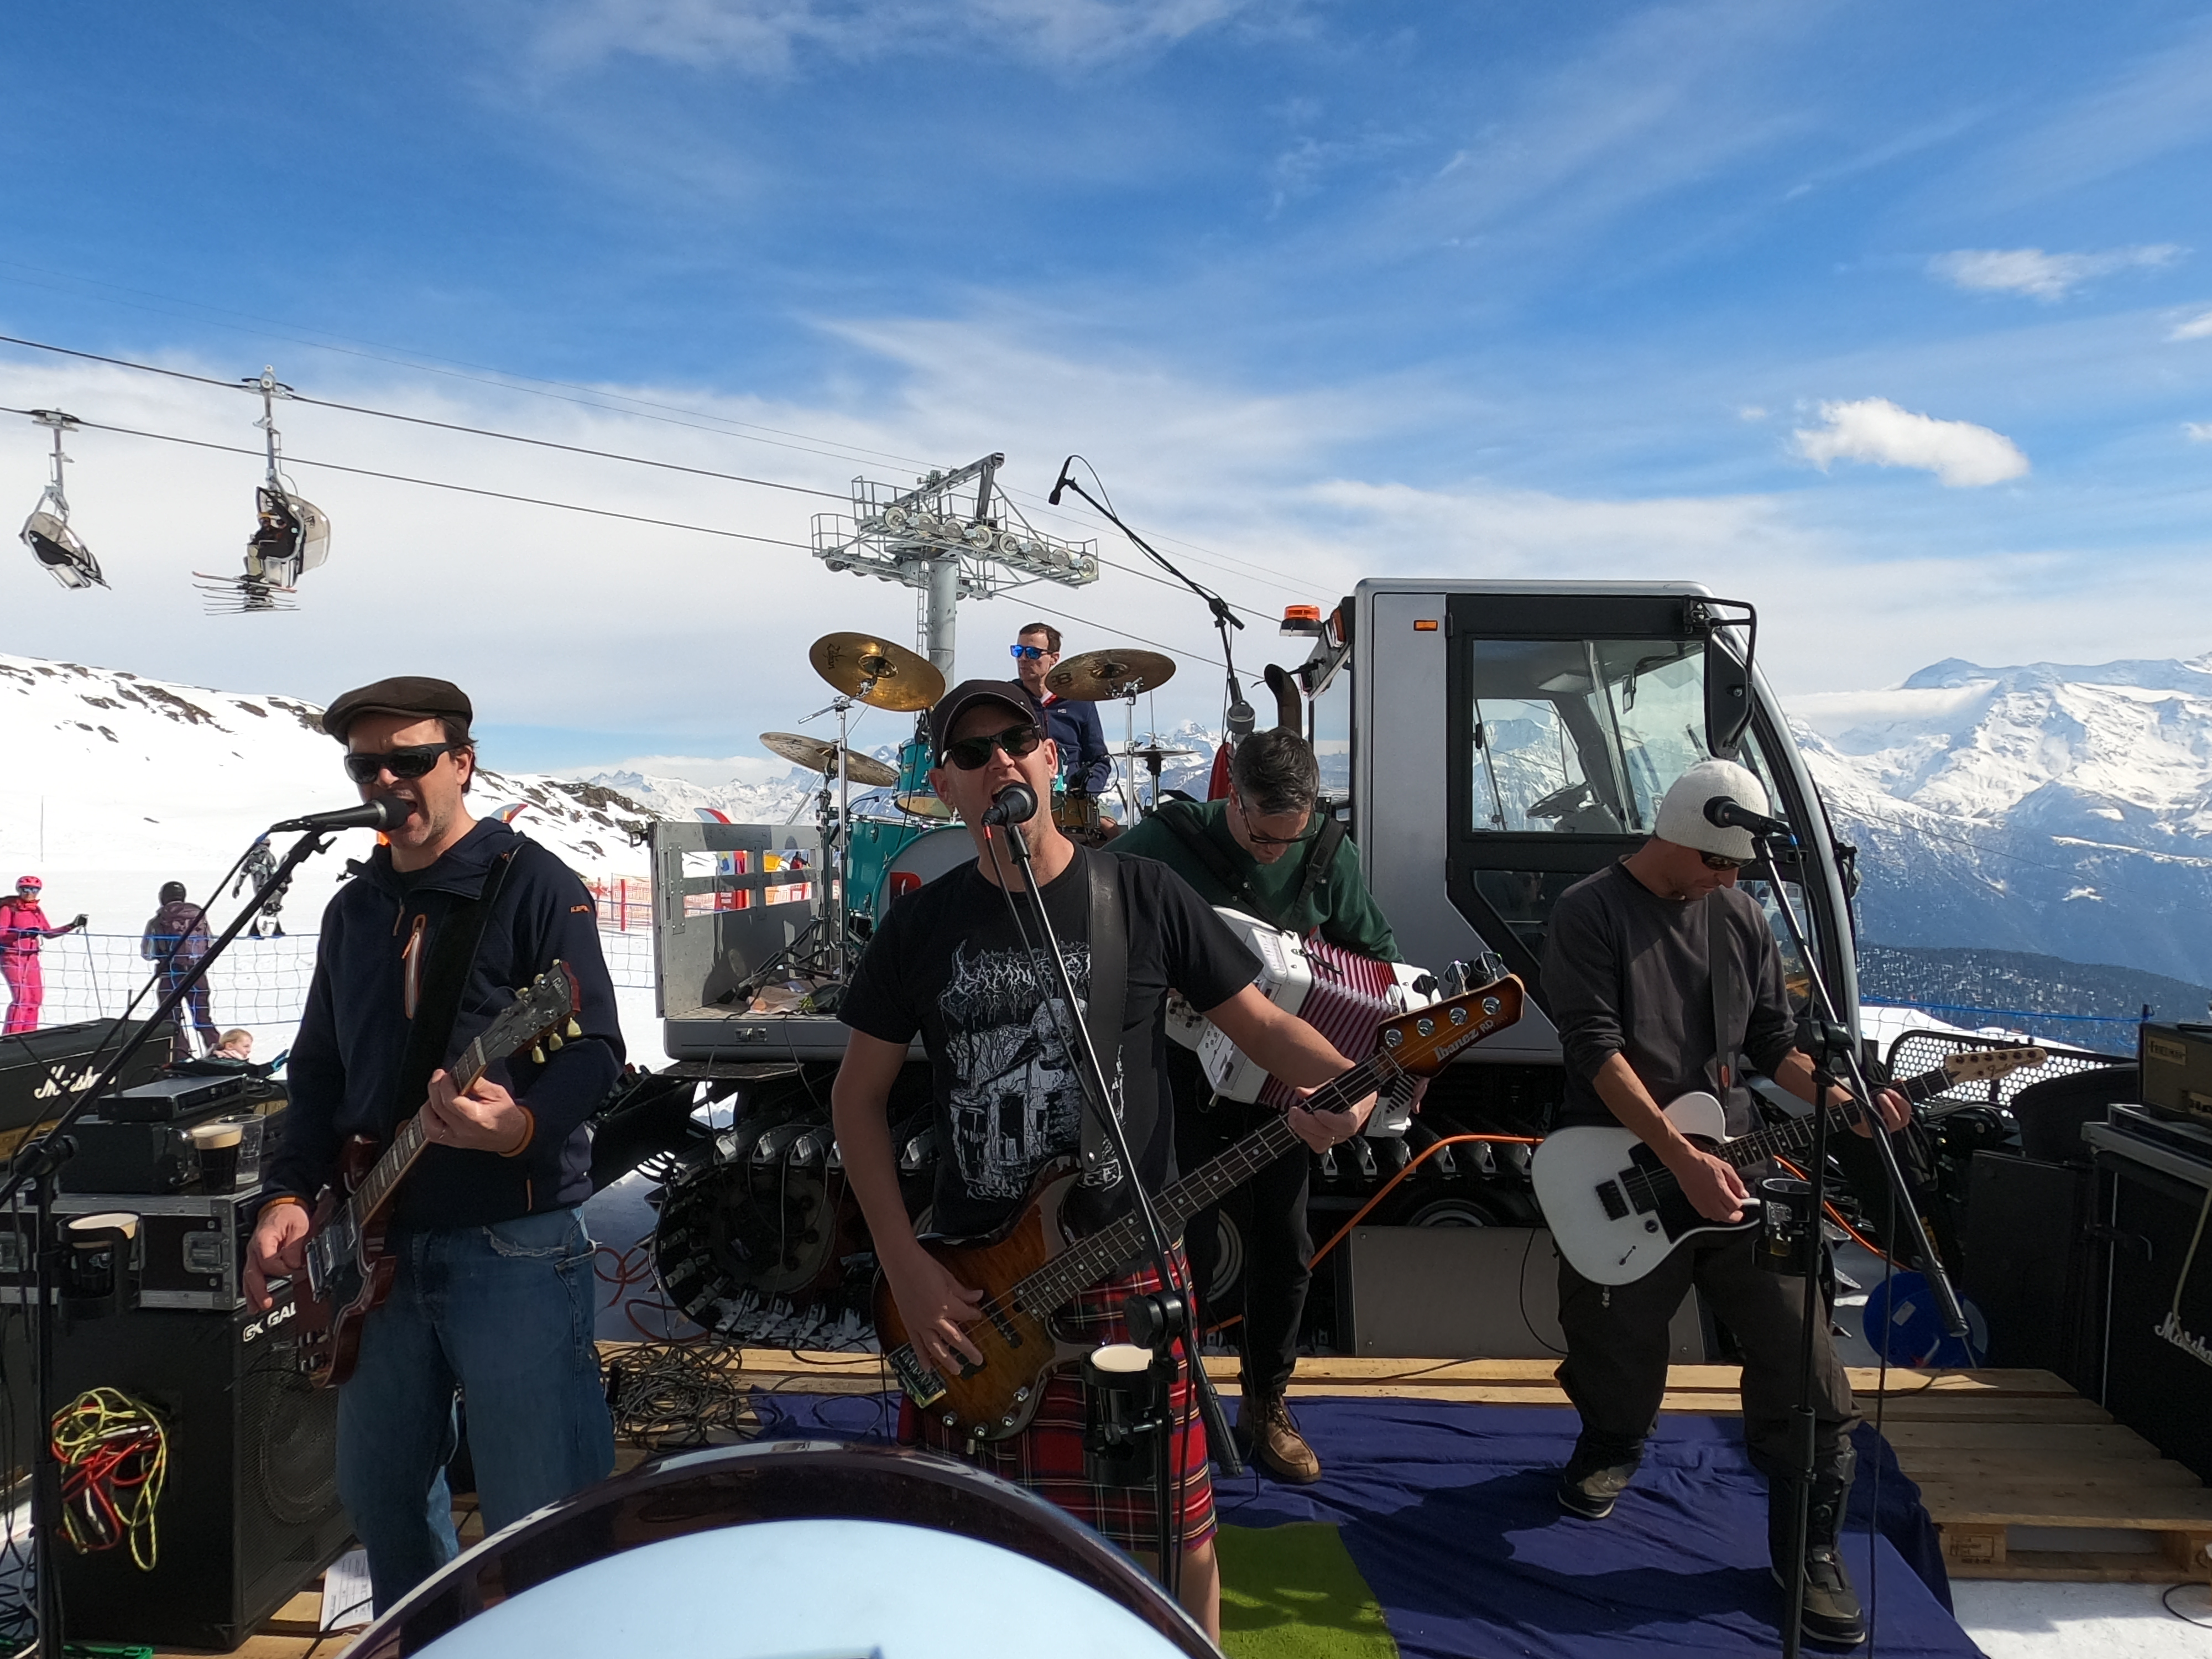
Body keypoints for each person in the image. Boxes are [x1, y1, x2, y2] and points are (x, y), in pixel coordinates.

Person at [830, 679, 1378, 1642]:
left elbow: (1258, 1026)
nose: (999, 760)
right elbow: (855, 1099)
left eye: (1017, 739)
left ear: (1052, 758)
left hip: (1129, 1268)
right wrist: (903, 1265)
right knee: (970, 1543)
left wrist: (1347, 1080)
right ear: (947, 788)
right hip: (974, 1286)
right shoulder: (921, 926)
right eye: (971, 753)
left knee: (1177, 1532)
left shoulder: (1142, 894)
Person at [244, 676, 624, 1615]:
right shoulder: (354, 909)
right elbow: (319, 1073)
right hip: (374, 1253)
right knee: (384, 1502)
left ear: (462, 763)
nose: (385, 780)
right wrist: (288, 1194)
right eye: (365, 766)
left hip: (512, 1245)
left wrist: (522, 1126)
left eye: (408, 760)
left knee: (543, 1515)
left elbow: (596, 1051)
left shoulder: (535, 885)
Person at [1538, 757, 1910, 1650]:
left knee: (1803, 1352)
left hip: (1738, 1166)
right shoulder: (1589, 911)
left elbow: (1773, 1043)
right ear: (1680, 837)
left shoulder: (1740, 917)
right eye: (1718, 864)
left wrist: (1841, 1100)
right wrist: (1679, 1157)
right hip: (1627, 1162)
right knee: (1614, 1336)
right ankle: (1612, 1442)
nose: (1730, 881)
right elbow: (1595, 1050)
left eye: (1739, 869)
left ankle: (1809, 1546)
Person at [1111, 728, 1399, 1484]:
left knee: (1286, 1246)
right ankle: (1172, 1401)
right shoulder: (1165, 841)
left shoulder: (1329, 855)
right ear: (1232, 799)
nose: (1276, 854)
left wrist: (1351, 1077)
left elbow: (1380, 966)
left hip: (1282, 1084)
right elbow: (1094, 921)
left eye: (1289, 840)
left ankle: (1266, 1402)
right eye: (1263, 837)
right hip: (1180, 1073)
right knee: (1185, 1249)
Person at [1011, 622, 1112, 799]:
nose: (1023, 658)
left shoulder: (1079, 700)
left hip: (1072, 800)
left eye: (1033, 652)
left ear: (1054, 658)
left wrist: (1086, 794)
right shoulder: (1009, 699)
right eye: (1018, 651)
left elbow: (1099, 760)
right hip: (1023, 799)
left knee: (1107, 819)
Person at [142, 881, 220, 1061]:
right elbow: (210, 944)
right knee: (203, 1019)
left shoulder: (157, 921)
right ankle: (220, 1053)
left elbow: (148, 953)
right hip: (197, 974)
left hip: (170, 975)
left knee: (171, 1021)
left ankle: (182, 1057)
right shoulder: (199, 917)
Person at [0, 877, 86, 1035]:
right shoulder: (8, 909)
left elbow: (48, 933)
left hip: (32, 957)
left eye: (34, 890)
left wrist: (72, 925)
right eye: (25, 889)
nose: (29, 893)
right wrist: (21, 934)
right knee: (22, 999)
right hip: (12, 957)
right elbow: (1, 934)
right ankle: (11, 1037)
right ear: (19, 890)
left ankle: (28, 1034)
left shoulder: (36, 910)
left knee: (35, 999)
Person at [235, 834, 289, 937]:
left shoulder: (251, 858)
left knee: (268, 908)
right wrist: (281, 882)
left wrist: (238, 886)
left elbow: (243, 873)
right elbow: (274, 871)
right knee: (270, 908)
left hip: (258, 888)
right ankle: (255, 931)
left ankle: (276, 930)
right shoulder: (268, 856)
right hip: (269, 887)